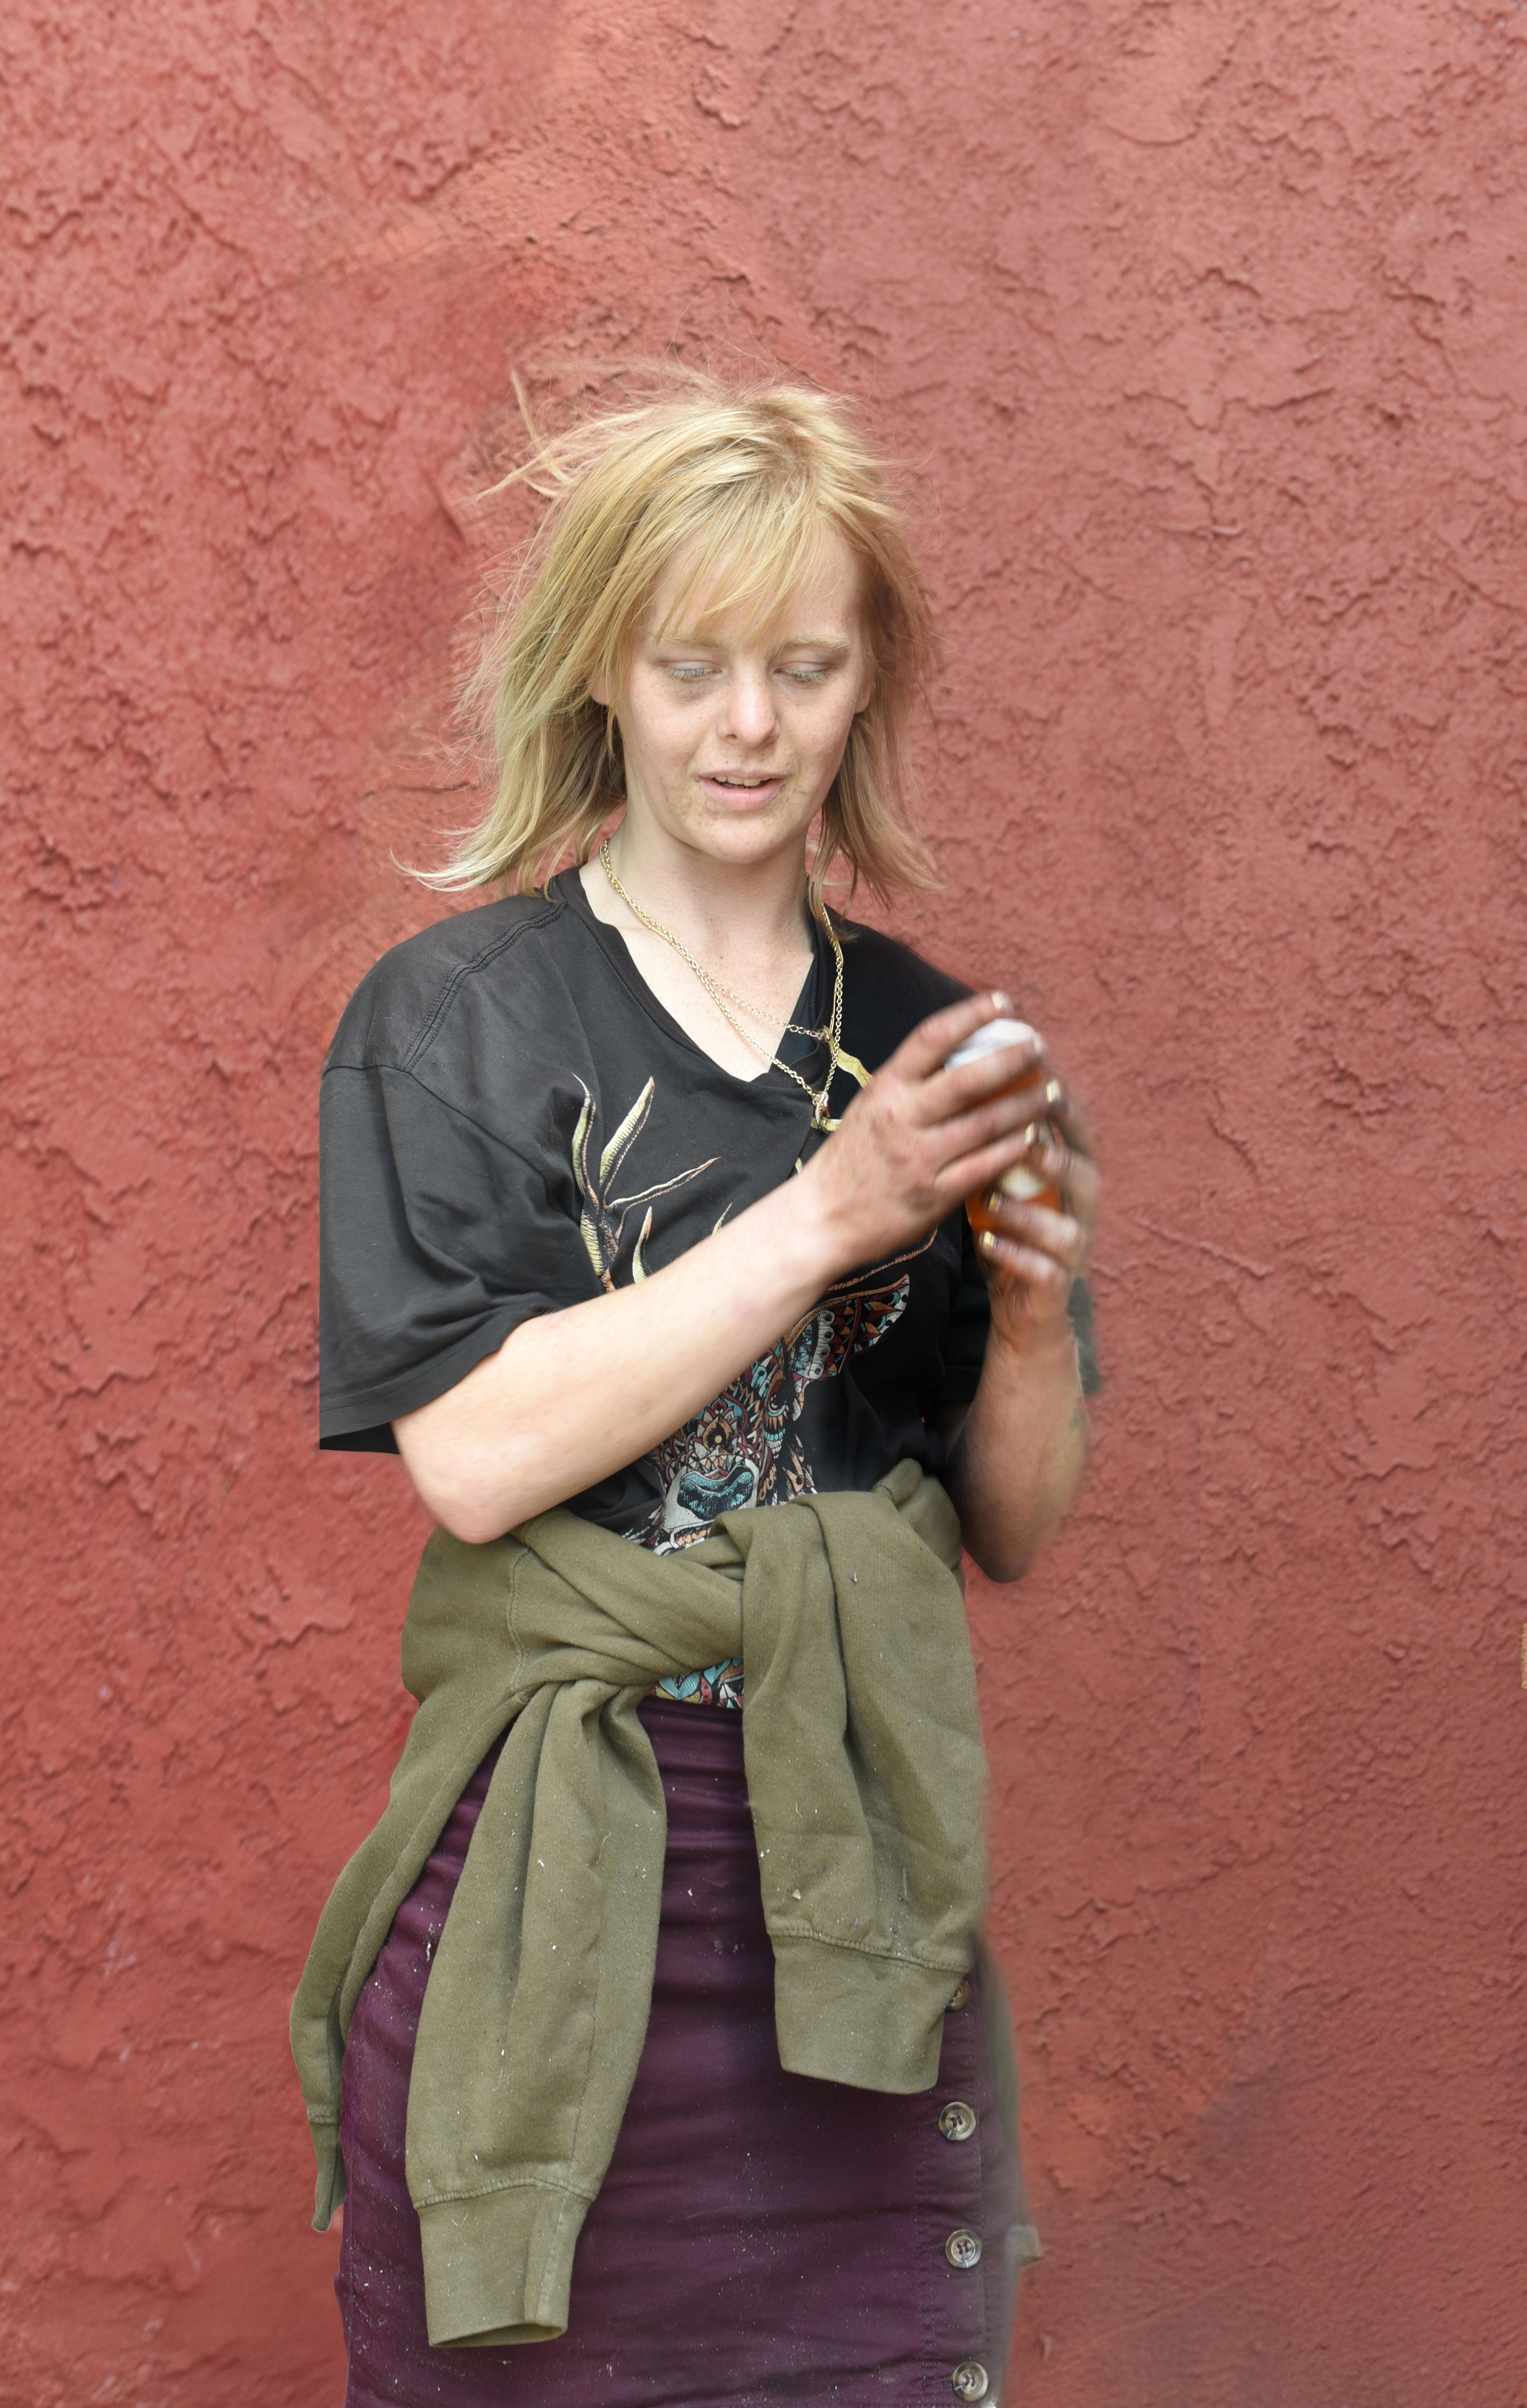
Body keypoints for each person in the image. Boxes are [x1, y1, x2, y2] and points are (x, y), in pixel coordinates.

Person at [292, 372, 1099, 2408]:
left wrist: (1025, 1308)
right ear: (604, 677)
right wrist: (837, 1213)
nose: (749, 725)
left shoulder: (928, 1041)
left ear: (863, 687)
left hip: (858, 1879)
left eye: (802, 669)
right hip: (557, 1885)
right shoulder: (455, 1024)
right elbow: (477, 1459)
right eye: (693, 667)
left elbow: (1009, 1525)